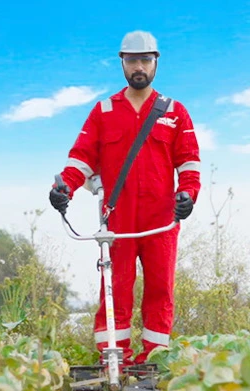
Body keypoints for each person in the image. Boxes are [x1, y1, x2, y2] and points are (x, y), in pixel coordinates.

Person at [48, 30, 202, 367]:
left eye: (146, 60)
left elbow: (189, 164)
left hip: (161, 218)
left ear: (156, 62)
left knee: (160, 290)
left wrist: (188, 196)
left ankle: (154, 360)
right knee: (114, 287)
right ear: (122, 62)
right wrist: (64, 189)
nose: (139, 66)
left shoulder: (175, 112)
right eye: (132, 60)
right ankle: (113, 360)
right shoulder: (103, 111)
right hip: (117, 217)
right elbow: (81, 159)